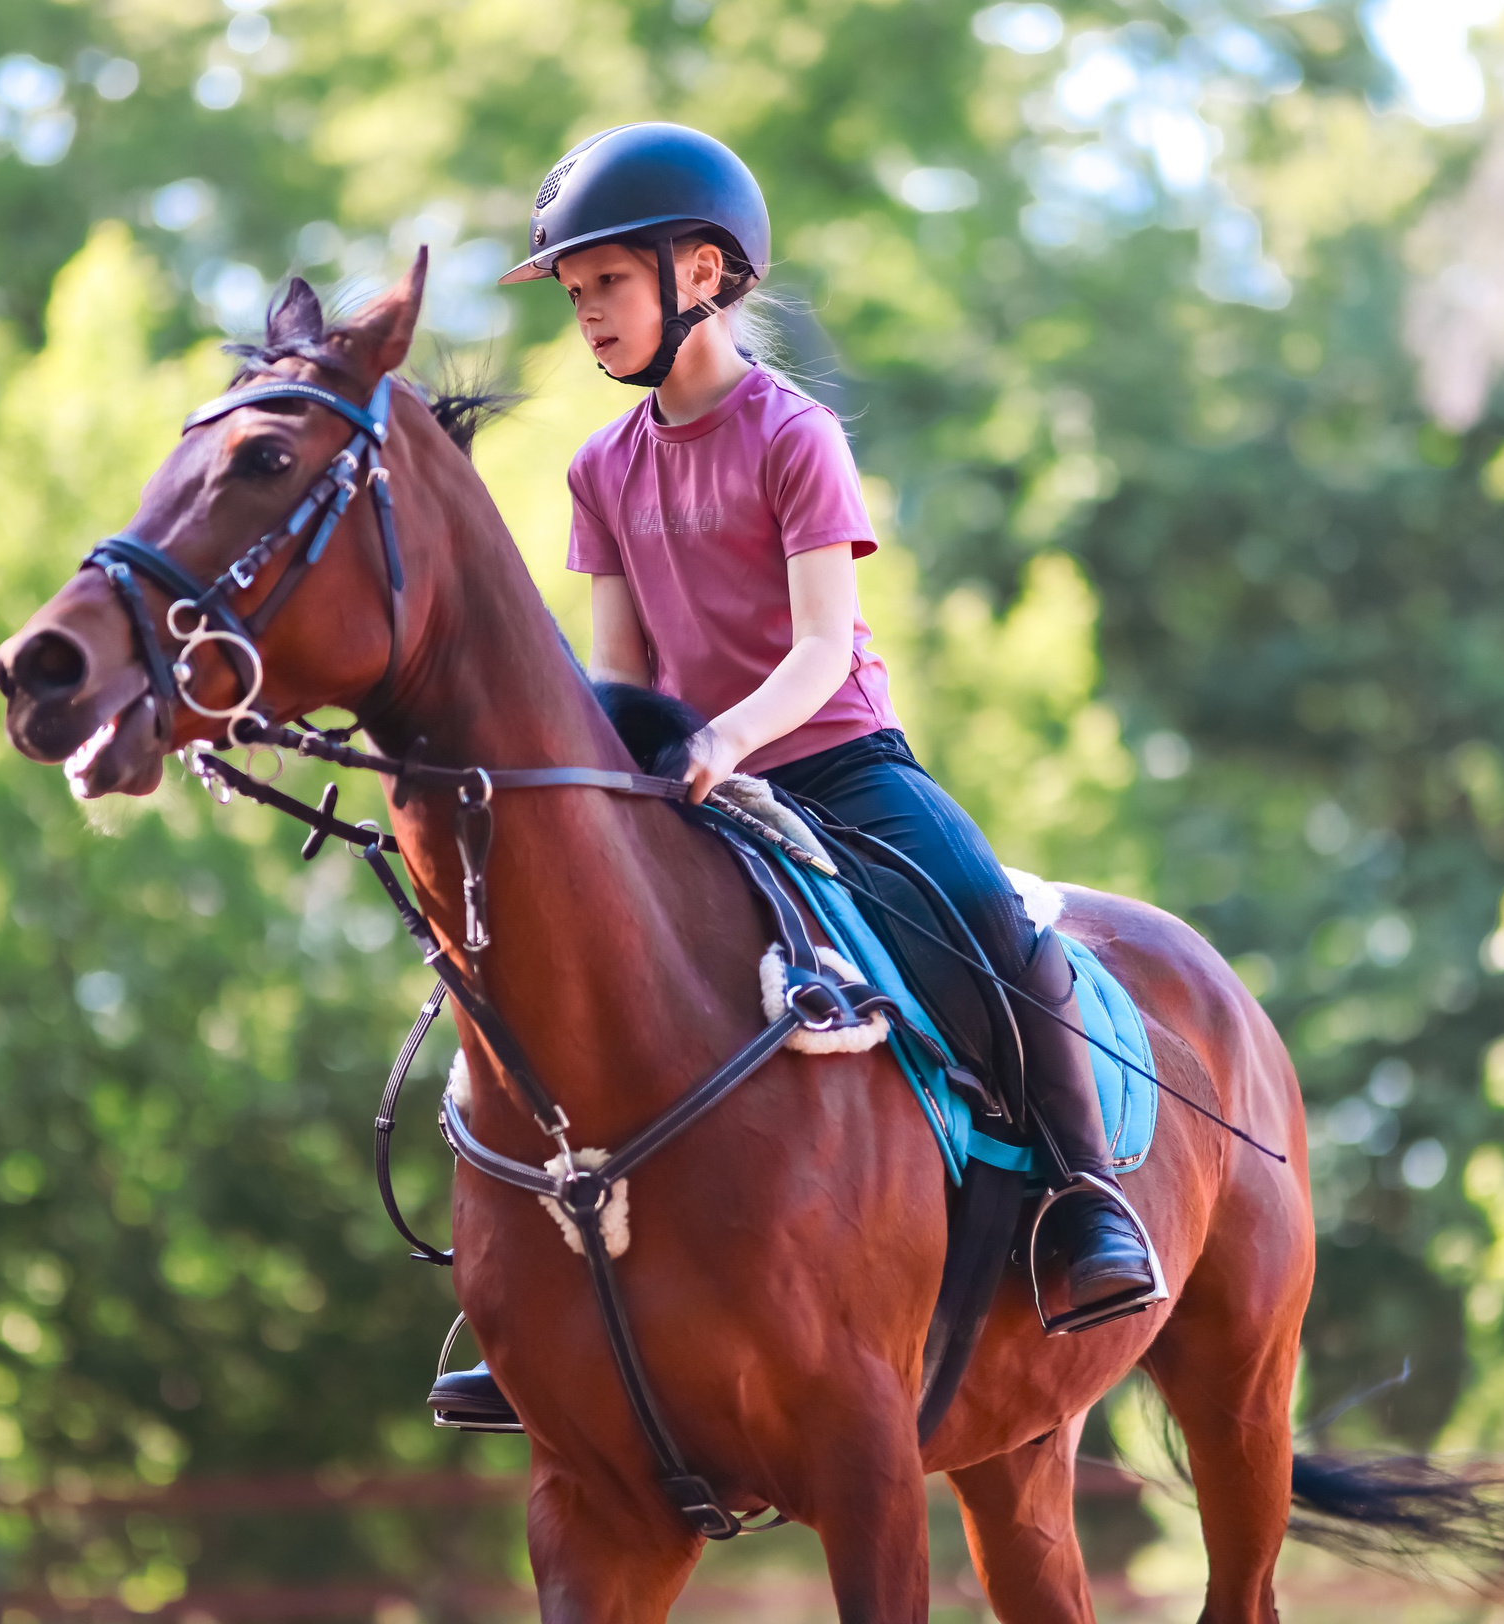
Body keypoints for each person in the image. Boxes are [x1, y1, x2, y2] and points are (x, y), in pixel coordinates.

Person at [428, 123, 1157, 1430]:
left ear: (698, 272)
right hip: (689, 789)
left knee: (999, 926)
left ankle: (1082, 1202)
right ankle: (525, 1281)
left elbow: (825, 649)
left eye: (606, 283)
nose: (585, 313)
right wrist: (634, 764)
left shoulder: (795, 434)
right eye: (575, 291)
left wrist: (721, 738)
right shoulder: (600, 470)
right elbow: (622, 670)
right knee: (537, 961)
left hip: (838, 761)